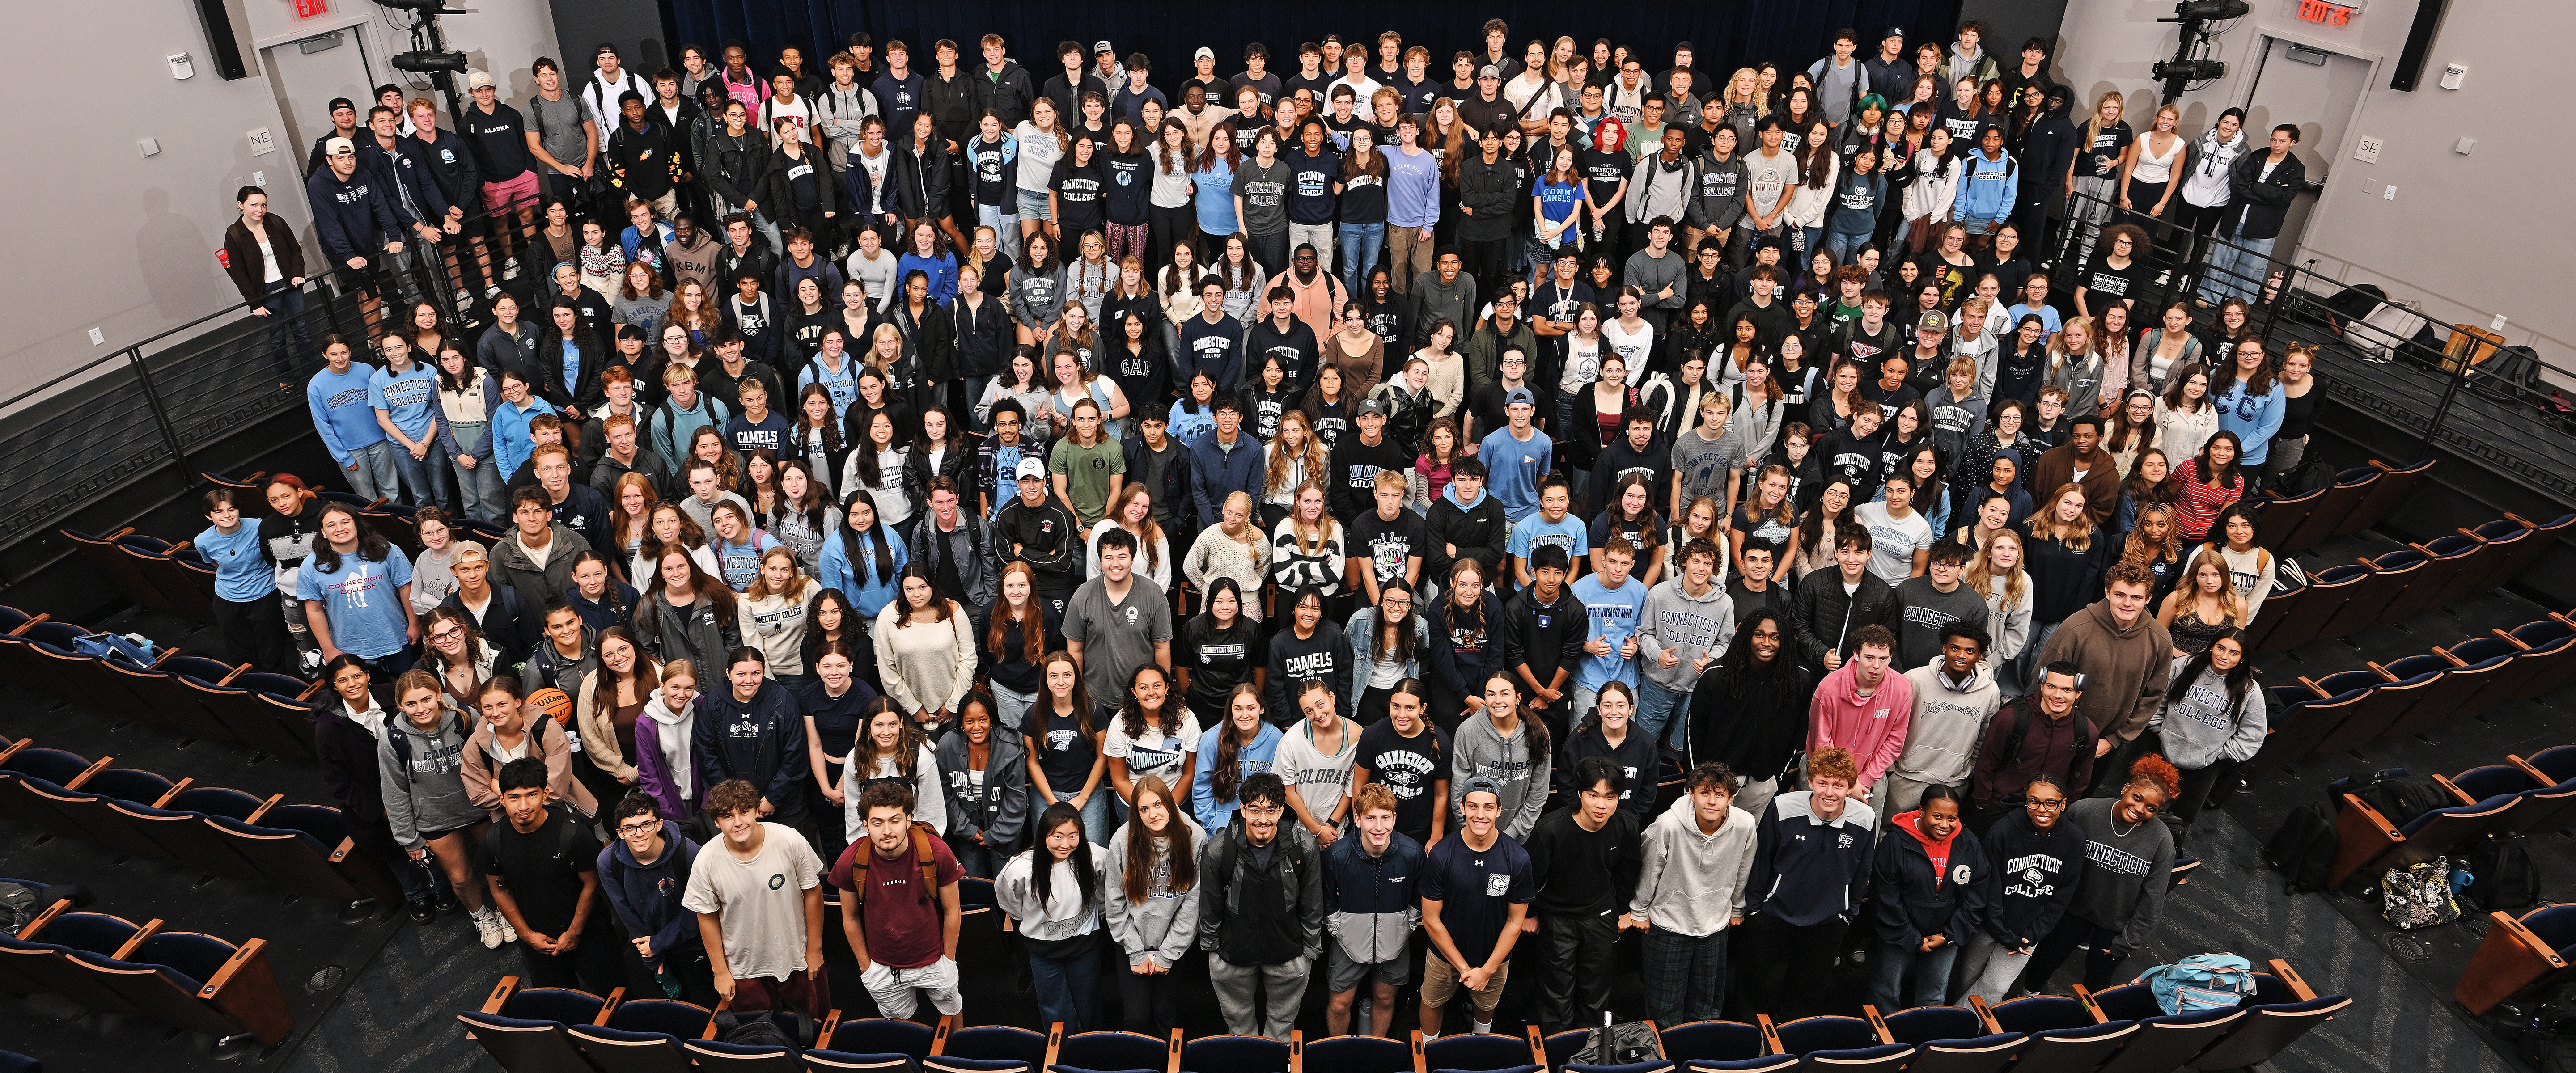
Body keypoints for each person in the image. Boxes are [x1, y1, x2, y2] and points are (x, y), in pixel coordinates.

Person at [1737, 745, 1875, 1018]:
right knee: (1755, 985)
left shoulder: (1865, 819)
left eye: (1839, 785)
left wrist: (1849, 913)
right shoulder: (1782, 808)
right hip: (1774, 914)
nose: (1829, 792)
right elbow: (1761, 860)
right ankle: (1752, 1038)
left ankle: (1792, 1040)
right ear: (1810, 781)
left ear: (1850, 787)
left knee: (1806, 993)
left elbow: (1863, 871)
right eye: (1822, 783)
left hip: (1828, 920)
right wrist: (1755, 909)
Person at [2024, 756, 2177, 993]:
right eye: (2137, 798)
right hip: (2071, 909)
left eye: (2151, 808)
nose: (2140, 809)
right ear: (2125, 789)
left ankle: (2087, 1023)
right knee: (2044, 961)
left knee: (2099, 978)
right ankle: (2027, 999)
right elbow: (2050, 858)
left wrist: (2129, 941)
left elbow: (2153, 899)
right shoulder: (2085, 811)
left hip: (2116, 923)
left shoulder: (2162, 841)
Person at [1624, 761, 1758, 1025]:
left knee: (1707, 1005)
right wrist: (1639, 910)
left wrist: (1737, 907)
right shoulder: (1668, 825)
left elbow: (1745, 867)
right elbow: (1649, 870)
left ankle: (1699, 1056)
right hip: (1669, 924)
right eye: (1704, 793)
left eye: (1719, 795)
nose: (1711, 801)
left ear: (1731, 798)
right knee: (1664, 1006)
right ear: (1691, 793)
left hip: (1715, 924)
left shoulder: (1745, 825)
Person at [1196, 772, 1324, 1041]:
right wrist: (1214, 952)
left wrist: (1309, 951)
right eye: (1255, 810)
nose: (1263, 819)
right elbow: (1210, 905)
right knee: (1240, 1029)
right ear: (1242, 809)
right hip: (1233, 955)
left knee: (1282, 1026)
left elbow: (1312, 904)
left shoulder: (1305, 847)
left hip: (1289, 954)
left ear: (1281, 811)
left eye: (1271, 810)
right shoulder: (1220, 849)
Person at [685, 778, 830, 1014]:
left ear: (756, 811)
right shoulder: (706, 860)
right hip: (742, 967)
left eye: (744, 812)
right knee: (758, 1038)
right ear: (716, 822)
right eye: (728, 817)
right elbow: (706, 916)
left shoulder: (789, 840)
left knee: (814, 1027)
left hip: (796, 956)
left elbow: (813, 893)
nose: (739, 823)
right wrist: (720, 971)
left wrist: (815, 949)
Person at [1525, 755, 1644, 1033]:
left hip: (1600, 915)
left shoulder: (1627, 826)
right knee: (1556, 991)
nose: (1601, 805)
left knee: (1597, 990)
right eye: (1593, 795)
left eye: (1610, 796)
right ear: (1580, 794)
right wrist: (1529, 914)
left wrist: (1624, 909)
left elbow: (1629, 871)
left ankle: (1590, 1052)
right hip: (1557, 918)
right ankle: (1557, 1048)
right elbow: (1531, 878)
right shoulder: (1550, 829)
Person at [830, 779, 966, 1022]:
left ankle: (956, 1056)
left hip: (935, 959)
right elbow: (849, 917)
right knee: (904, 1028)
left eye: (895, 820)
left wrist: (949, 960)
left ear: (909, 820)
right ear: (865, 826)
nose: (887, 831)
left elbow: (953, 910)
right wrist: (867, 968)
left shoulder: (936, 851)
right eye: (877, 823)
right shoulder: (850, 861)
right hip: (882, 966)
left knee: (952, 1012)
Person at [483, 757, 620, 993]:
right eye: (514, 797)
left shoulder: (573, 832)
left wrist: (575, 932)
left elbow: (591, 884)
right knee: (558, 1009)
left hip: (589, 933)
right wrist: (527, 936)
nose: (523, 806)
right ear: (502, 800)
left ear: (546, 794)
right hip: (537, 941)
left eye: (532, 795)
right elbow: (499, 888)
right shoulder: (494, 840)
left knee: (614, 997)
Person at [2039, 563, 2174, 795]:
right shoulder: (2076, 627)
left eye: (2136, 597)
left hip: (2106, 744)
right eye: (2120, 594)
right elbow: (2043, 680)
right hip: (2055, 733)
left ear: (2149, 599)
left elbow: (2152, 697)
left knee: (2080, 798)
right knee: (2041, 793)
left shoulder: (2160, 640)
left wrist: (2113, 741)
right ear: (2107, 592)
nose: (2127, 603)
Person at [1418, 774, 1534, 1039]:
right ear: (1461, 808)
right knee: (1431, 1001)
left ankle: (1479, 1044)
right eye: (1473, 806)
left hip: (1494, 955)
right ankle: (1428, 1050)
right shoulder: (1442, 854)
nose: (1480, 815)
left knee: (1486, 1007)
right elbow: (1431, 920)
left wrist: (1487, 970)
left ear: (1500, 810)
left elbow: (1515, 922)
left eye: (1488, 807)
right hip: (1444, 953)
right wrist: (1463, 968)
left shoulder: (1517, 858)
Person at [1100, 775, 1205, 1038]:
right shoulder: (1122, 841)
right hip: (1132, 942)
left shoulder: (1195, 838)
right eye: (1144, 809)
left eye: (1158, 805)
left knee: (1164, 1014)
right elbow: (1114, 901)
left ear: (1169, 803)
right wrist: (1135, 953)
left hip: (1172, 942)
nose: (1153, 814)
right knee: (1135, 1018)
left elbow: (1193, 902)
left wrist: (1169, 953)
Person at [1317, 782, 1423, 1039]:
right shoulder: (1337, 855)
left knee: (1385, 999)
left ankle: (1377, 1051)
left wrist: (1407, 927)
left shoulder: (1413, 853)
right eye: (1370, 818)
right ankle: (1338, 1053)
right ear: (1357, 818)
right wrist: (1338, 929)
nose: (1379, 827)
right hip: (1348, 942)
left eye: (1385, 818)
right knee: (1340, 1003)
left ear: (1394, 818)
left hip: (1395, 943)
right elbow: (1327, 898)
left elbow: (1418, 897)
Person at [1867, 783, 1985, 1011]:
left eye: (1952, 818)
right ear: (1921, 811)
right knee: (1886, 988)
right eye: (1938, 816)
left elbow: (1978, 892)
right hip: (1900, 930)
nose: (1945, 824)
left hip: (1946, 933)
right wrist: (1911, 937)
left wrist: (1949, 935)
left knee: (1935, 992)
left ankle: (1926, 1035)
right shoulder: (1895, 842)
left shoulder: (1969, 842)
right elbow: (1885, 894)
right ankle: (1882, 1035)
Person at [2143, 632, 2264, 852]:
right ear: (2211, 647)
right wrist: (2160, 730)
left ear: (2243, 658)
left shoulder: (2250, 691)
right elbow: (2156, 699)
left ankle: (2162, 859)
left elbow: (2253, 736)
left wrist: (2218, 754)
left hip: (2205, 764)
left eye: (2234, 653)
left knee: (2180, 820)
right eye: (2220, 648)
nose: (2225, 656)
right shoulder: (2184, 666)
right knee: (2141, 801)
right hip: (2161, 749)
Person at [598, 790, 716, 1004]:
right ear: (620, 833)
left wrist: (659, 943)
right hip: (647, 943)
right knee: (666, 1005)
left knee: (706, 999)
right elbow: (625, 913)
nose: (639, 833)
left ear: (659, 824)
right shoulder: (608, 862)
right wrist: (652, 955)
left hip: (693, 940)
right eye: (630, 828)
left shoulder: (690, 854)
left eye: (646, 824)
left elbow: (697, 909)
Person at [695, 647, 811, 831]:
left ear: (764, 673)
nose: (749, 681)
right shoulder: (713, 703)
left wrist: (773, 797)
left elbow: (796, 753)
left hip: (782, 807)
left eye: (756, 673)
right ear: (729, 673)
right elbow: (706, 753)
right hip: (733, 808)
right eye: (741, 674)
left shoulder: (782, 700)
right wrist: (734, 801)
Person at [301, 503, 421, 676]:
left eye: (345, 522)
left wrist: (415, 625)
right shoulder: (312, 565)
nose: (340, 529)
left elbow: (406, 588)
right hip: (347, 649)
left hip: (396, 638)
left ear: (356, 524)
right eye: (331, 525)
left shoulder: (386, 550)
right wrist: (328, 650)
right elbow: (314, 610)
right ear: (324, 533)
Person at [1807, 623, 1912, 805]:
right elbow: (1822, 744)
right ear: (1856, 655)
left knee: (1866, 830)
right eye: (1869, 658)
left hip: (1871, 776)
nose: (1876, 666)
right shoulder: (1829, 688)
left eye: (1883, 659)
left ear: (1890, 658)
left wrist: (1864, 780)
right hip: (1823, 773)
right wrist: (1846, 783)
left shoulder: (1902, 690)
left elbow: (1895, 742)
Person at [1789, 524, 1894, 676]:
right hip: (1812, 669)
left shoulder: (1883, 593)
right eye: (1845, 552)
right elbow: (1799, 626)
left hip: (1858, 674)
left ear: (1869, 554)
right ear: (1836, 553)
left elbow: (1887, 638)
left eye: (1859, 553)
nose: (1851, 559)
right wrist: (1822, 654)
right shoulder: (1813, 583)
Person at [1889, 540, 1991, 672]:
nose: (1942, 569)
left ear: (1962, 569)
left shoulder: (1976, 606)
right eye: (1936, 563)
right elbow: (1890, 634)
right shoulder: (1906, 590)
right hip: (1901, 672)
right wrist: (1897, 671)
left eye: (1950, 565)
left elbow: (1973, 650)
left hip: (1946, 678)